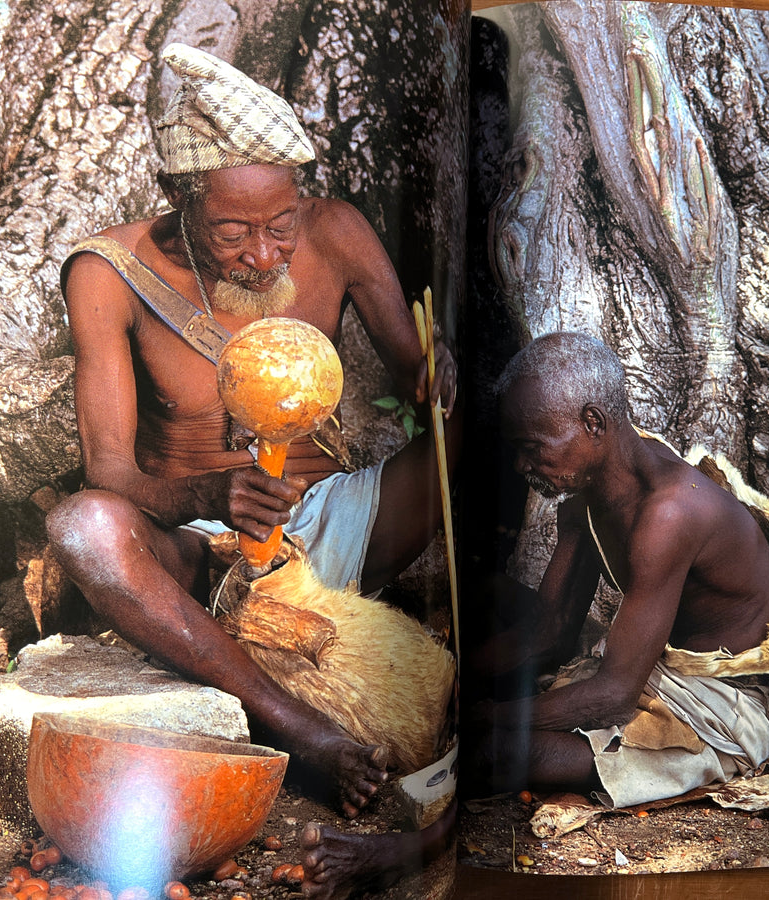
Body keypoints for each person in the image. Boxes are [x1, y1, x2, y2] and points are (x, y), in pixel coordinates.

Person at [46, 43, 459, 830]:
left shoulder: (336, 232)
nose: (264, 253)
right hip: (201, 546)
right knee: (82, 526)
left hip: (343, 522)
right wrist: (209, 493)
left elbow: (421, 376)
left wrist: (440, 374)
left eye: (282, 224)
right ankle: (299, 727)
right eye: (234, 231)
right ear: (180, 197)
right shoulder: (109, 271)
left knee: (500, 411)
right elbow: (108, 473)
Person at [468, 332, 769, 808]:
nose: (521, 464)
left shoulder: (668, 515)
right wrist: (452, 684)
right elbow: (550, 630)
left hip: (718, 704)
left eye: (533, 446)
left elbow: (613, 695)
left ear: (593, 422)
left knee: (491, 753)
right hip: (643, 667)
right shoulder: (588, 497)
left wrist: (489, 716)